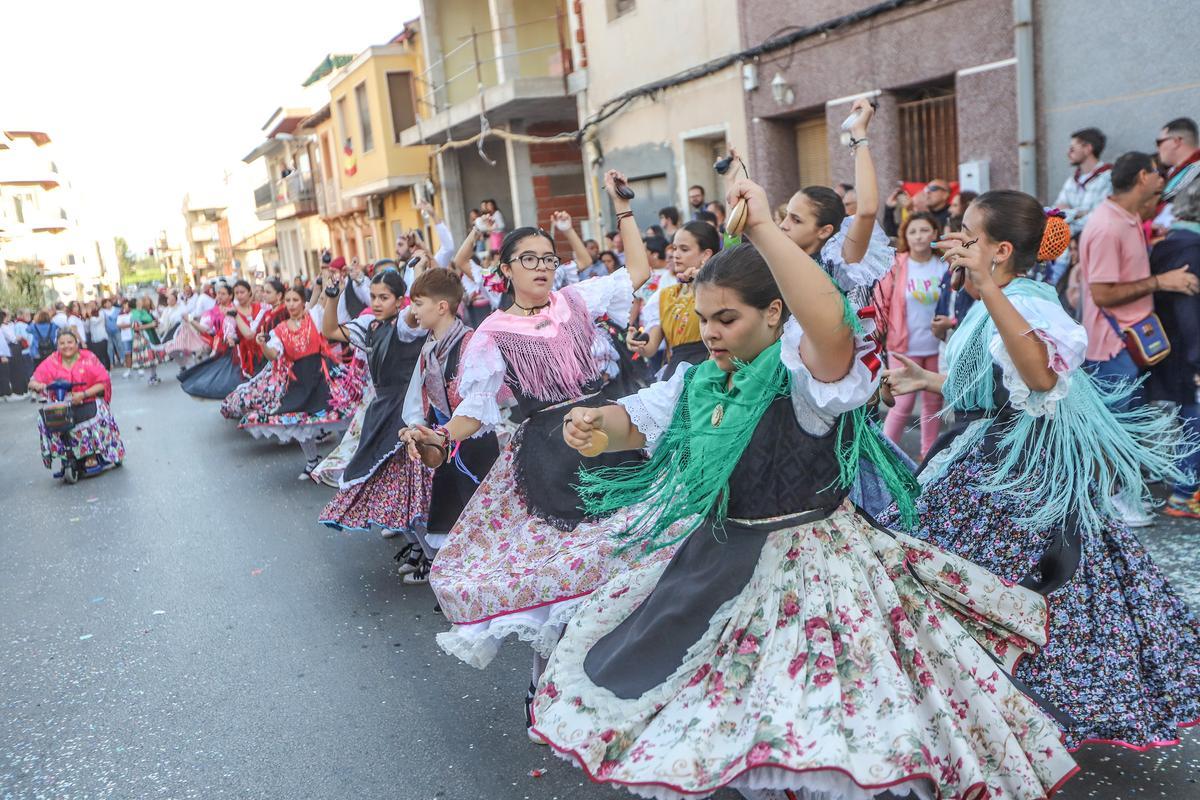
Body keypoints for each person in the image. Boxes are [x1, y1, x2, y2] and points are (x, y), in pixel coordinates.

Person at [531, 179, 1076, 800]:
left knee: (811, 721)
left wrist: (765, 228)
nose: (711, 333)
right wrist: (592, 427)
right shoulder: (697, 381)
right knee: (719, 716)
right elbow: (633, 424)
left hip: (810, 564)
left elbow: (831, 324)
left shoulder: (807, 380)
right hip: (714, 557)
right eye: (705, 319)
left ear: (772, 312)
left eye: (727, 318)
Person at [880, 189, 1200, 750]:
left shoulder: (1028, 303)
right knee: (946, 581)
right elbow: (997, 388)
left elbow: (1041, 381)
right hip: (983, 452)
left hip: (1015, 472)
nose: (957, 242)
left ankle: (1006, 715)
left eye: (969, 235)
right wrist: (928, 381)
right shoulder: (999, 298)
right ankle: (963, 707)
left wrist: (986, 291)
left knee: (1004, 591)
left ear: (1001, 250)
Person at [401, 171, 652, 726]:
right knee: (560, 576)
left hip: (608, 431)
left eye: (547, 257)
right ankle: (545, 690)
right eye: (530, 258)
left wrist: (623, 209)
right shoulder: (490, 331)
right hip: (550, 454)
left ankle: (619, 679)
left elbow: (638, 271)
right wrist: (441, 436)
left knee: (630, 555)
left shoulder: (577, 299)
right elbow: (476, 407)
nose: (542, 266)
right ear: (506, 269)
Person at [387, 269, 504, 584]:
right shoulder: (429, 348)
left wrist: (439, 433)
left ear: (442, 306)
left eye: (419, 303)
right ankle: (460, 587)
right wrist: (415, 427)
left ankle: (483, 589)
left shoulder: (473, 344)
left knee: (481, 519)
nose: (413, 311)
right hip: (443, 444)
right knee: (447, 518)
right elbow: (418, 397)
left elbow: (479, 406)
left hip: (474, 443)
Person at [1079, 153, 1196, 434]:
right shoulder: (1108, 227)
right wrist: (1160, 282)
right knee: (1117, 438)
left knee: (1132, 436)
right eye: (1159, 173)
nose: (1162, 180)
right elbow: (1103, 295)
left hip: (1132, 346)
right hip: (1113, 352)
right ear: (1143, 176)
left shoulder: (1127, 218)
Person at [318, 269, 426, 538]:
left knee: (413, 485)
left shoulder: (404, 324)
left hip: (410, 408)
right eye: (374, 297)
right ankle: (418, 546)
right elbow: (330, 329)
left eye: (384, 297)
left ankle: (427, 554)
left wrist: (420, 283)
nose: (377, 303)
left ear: (400, 300)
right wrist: (333, 296)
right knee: (390, 482)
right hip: (382, 408)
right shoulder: (369, 326)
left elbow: (412, 315)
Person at [238, 286, 362, 478]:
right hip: (299, 379)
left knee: (341, 414)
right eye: (288, 301)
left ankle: (346, 459)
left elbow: (326, 310)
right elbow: (273, 355)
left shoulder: (315, 316)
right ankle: (312, 461)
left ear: (303, 302)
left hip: (322, 374)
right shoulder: (280, 330)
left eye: (295, 300)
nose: (291, 304)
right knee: (299, 421)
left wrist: (329, 290)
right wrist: (262, 344)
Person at [1148, 179, 1200, 518]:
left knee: (1189, 414)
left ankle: (1184, 488)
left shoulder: (1172, 243)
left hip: (1176, 347)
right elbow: (1189, 311)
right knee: (1195, 416)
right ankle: (1184, 493)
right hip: (1190, 350)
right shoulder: (1192, 249)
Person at [878, 211, 945, 457]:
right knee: (902, 403)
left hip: (937, 346)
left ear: (935, 233)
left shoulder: (945, 265)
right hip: (903, 345)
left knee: (933, 403)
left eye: (925, 230)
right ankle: (884, 456)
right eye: (913, 231)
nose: (919, 236)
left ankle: (927, 456)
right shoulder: (897, 265)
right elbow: (882, 301)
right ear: (905, 235)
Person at [626, 221, 720, 380]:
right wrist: (636, 344)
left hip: (710, 370)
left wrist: (702, 281)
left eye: (684, 249)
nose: (675, 255)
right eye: (674, 248)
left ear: (706, 254)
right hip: (675, 374)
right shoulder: (665, 295)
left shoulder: (721, 289)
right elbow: (650, 348)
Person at [28, 329, 126, 475]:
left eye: (70, 342)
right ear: (57, 345)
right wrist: (39, 385)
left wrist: (83, 394)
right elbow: (33, 381)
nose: (66, 346)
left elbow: (103, 382)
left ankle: (92, 454)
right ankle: (67, 455)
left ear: (76, 343)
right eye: (62, 343)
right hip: (63, 404)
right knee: (45, 419)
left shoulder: (88, 358)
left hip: (87, 398)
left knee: (96, 412)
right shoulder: (52, 361)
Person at [177, 281, 263, 400]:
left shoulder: (242, 308)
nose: (219, 296)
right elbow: (204, 329)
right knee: (229, 379)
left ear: (230, 296)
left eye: (223, 293)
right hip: (228, 349)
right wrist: (190, 319)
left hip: (255, 347)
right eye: (218, 293)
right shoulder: (212, 312)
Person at [1053, 127, 1113, 237]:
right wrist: (1079, 213)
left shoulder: (1107, 177)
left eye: (1072, 149)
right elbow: (1055, 212)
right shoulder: (1071, 181)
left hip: (1094, 241)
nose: (1068, 153)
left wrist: (1068, 215)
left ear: (1088, 148)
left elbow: (1098, 217)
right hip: (1068, 247)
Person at [1156, 117, 1200, 226]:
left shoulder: (1196, 169)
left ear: (1176, 141)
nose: (1158, 149)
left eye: (1159, 142)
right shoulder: (1172, 172)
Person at [883, 178, 951, 239]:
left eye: (933, 188)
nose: (928, 192)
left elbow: (937, 235)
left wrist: (914, 210)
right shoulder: (922, 214)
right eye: (927, 189)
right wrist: (889, 208)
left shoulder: (953, 213)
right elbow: (892, 232)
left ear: (945, 194)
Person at [129, 295, 164, 384]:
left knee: (153, 357)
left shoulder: (144, 311)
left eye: (141, 301)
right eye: (139, 301)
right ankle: (151, 377)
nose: (141, 303)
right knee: (148, 357)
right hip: (142, 337)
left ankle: (154, 375)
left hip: (150, 334)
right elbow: (135, 327)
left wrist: (155, 323)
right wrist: (150, 325)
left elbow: (150, 320)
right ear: (136, 304)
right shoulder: (134, 313)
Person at [84, 302, 110, 370]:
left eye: (93, 305)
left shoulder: (101, 312)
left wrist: (89, 316)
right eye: (90, 306)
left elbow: (96, 321)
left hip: (102, 337)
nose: (91, 307)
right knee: (97, 355)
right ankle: (100, 370)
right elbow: (86, 328)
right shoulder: (89, 315)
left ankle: (108, 369)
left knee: (104, 354)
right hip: (94, 338)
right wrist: (86, 318)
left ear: (96, 305)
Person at [115, 300, 134, 377]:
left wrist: (126, 325)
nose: (126, 306)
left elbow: (135, 323)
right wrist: (129, 325)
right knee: (127, 353)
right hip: (125, 337)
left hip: (134, 335)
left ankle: (139, 368)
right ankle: (129, 369)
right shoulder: (121, 314)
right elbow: (119, 325)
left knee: (136, 352)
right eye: (125, 304)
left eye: (127, 304)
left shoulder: (133, 312)